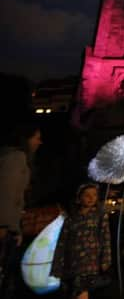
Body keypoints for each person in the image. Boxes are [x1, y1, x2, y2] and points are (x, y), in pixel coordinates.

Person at [0, 122, 42, 298]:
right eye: (37, 138)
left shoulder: (9, 156)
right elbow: (8, 194)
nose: (40, 142)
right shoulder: (16, 158)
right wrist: (8, 226)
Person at [51, 183, 112, 299]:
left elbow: (106, 237)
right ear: (79, 198)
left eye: (94, 195)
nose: (91, 198)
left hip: (91, 262)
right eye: (87, 195)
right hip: (72, 262)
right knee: (73, 292)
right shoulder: (71, 219)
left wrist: (106, 259)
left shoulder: (100, 216)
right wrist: (57, 265)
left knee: (82, 292)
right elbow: (62, 242)